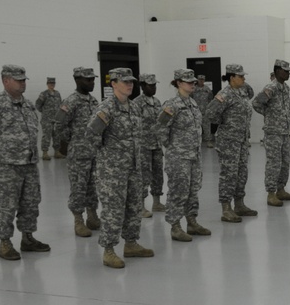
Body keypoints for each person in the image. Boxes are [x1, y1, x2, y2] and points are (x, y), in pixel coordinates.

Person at [0, 65, 49, 260]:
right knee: (6, 204)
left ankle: (28, 238)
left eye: (23, 79)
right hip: (6, 166)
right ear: (6, 81)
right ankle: (4, 243)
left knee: (30, 203)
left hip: (29, 164)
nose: (23, 82)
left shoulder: (28, 104)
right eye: (18, 79)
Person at [88, 68, 154, 268]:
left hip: (134, 167)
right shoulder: (106, 108)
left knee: (134, 207)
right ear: (113, 83)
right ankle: (109, 250)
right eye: (124, 81)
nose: (129, 85)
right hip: (113, 171)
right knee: (113, 210)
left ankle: (131, 243)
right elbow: (91, 135)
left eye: (131, 81)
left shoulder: (134, 108)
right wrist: (109, 157)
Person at [157, 69, 211, 242]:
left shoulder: (193, 104)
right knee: (178, 191)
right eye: (189, 82)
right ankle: (175, 226)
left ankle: (192, 222)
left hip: (194, 155)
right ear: (179, 83)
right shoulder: (171, 105)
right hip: (179, 157)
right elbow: (160, 128)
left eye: (194, 82)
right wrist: (173, 147)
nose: (192, 84)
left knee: (193, 190)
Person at [56, 67, 101, 237]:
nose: (92, 82)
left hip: (94, 152)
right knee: (79, 186)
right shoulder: (70, 102)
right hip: (78, 153)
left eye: (92, 79)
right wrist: (74, 140)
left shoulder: (94, 101)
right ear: (77, 80)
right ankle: (78, 220)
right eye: (87, 79)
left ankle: (92, 216)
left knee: (92, 186)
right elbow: (59, 125)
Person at [207, 64, 256, 222]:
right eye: (241, 76)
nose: (243, 78)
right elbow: (210, 113)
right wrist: (225, 124)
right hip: (228, 142)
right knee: (228, 175)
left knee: (241, 173)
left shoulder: (242, 93)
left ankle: (239, 204)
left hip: (241, 141)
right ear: (232, 77)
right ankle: (226, 208)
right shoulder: (224, 94)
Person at [252, 59, 290, 206]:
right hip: (273, 132)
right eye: (286, 71)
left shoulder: (286, 88)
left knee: (285, 162)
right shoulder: (271, 87)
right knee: (274, 163)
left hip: (284, 132)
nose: (288, 73)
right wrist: (269, 115)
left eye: (289, 71)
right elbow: (256, 103)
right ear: (278, 71)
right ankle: (271, 193)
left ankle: (281, 189)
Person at [132, 73, 165, 218]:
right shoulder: (136, 103)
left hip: (157, 144)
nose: (153, 88)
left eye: (155, 85)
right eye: (150, 85)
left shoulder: (157, 102)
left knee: (158, 174)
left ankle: (157, 202)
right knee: (143, 175)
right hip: (143, 145)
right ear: (142, 86)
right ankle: (141, 205)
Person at [34, 77, 62, 160]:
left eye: (53, 83)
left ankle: (57, 152)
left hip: (56, 119)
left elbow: (60, 104)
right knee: (47, 136)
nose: (52, 85)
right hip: (47, 119)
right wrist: (44, 112)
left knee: (57, 135)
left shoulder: (57, 94)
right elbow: (38, 104)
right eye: (50, 83)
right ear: (47, 84)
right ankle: (45, 153)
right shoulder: (44, 94)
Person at [191, 74, 214, 148]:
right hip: (196, 111)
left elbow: (211, 99)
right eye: (200, 80)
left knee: (207, 127)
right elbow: (190, 99)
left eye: (202, 80)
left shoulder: (207, 89)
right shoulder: (193, 89)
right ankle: (196, 142)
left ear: (204, 80)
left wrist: (209, 109)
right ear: (197, 80)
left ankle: (208, 141)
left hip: (205, 112)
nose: (201, 81)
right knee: (196, 127)